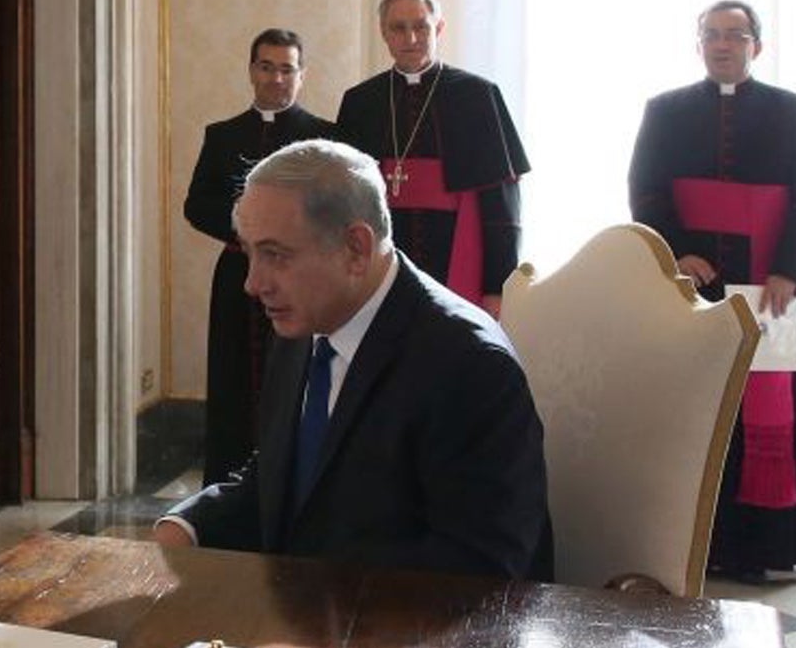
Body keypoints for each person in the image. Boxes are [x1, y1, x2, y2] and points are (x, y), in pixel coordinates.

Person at [155, 140, 550, 579]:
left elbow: (479, 567)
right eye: (250, 253)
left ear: (356, 248)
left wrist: (313, 610)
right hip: (307, 620)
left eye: (275, 255)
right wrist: (189, 525)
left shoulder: (470, 366)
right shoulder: (303, 323)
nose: (252, 283)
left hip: (408, 635)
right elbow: (282, 477)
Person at [628, 0, 796, 580]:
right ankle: (698, 544)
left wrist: (791, 269)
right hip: (694, 278)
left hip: (767, 280)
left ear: (756, 46)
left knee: (761, 407)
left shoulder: (795, 113)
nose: (722, 44)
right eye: (711, 35)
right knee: (697, 407)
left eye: (734, 36)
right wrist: (677, 251)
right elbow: (645, 190)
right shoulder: (664, 111)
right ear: (698, 45)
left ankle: (761, 550)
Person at [183, 28, 333, 485]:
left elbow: (332, 205)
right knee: (232, 379)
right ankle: (227, 482)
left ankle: (291, 476)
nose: (276, 78)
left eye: (287, 68)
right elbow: (196, 204)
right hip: (236, 272)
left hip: (300, 277)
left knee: (294, 374)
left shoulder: (322, 137)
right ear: (252, 71)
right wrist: (249, 226)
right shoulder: (222, 135)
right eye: (266, 66)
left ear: (301, 75)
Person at [335, 0, 531, 315]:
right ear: (383, 32)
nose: (410, 38)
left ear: (438, 28)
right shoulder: (360, 101)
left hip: (454, 252)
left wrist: (495, 287)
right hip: (382, 258)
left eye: (421, 27)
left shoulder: (477, 96)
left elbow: (502, 207)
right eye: (398, 28)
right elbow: (342, 202)